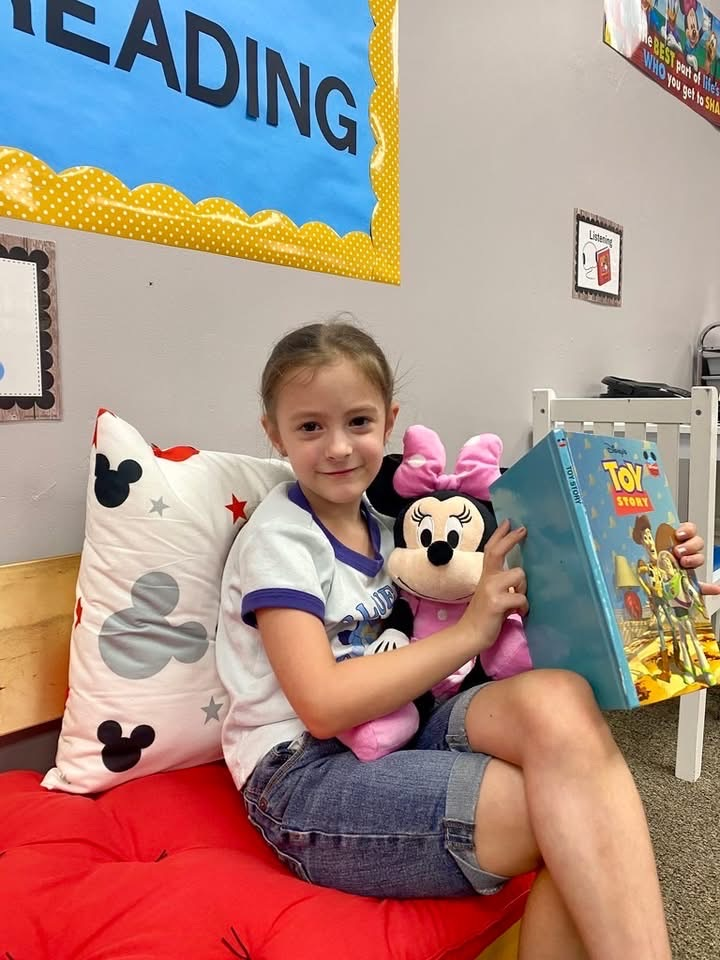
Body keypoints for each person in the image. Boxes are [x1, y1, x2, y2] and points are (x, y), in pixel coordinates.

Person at [216, 319, 717, 960]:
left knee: (559, 698)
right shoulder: (278, 540)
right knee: (573, 819)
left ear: (390, 420)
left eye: (359, 423)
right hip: (305, 775)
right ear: (273, 432)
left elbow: (527, 595)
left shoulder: (392, 528)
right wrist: (472, 632)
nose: (338, 447)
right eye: (310, 426)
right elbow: (323, 705)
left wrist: (651, 579)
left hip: (406, 717)